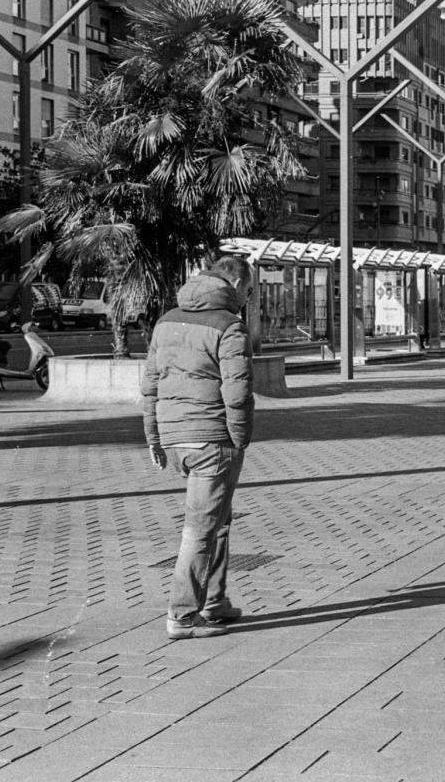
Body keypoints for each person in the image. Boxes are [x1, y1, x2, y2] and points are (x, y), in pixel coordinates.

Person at [142, 256, 255, 639]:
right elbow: (237, 391)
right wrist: (239, 439)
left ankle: (214, 603)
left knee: (217, 520)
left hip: (175, 437)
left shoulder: (167, 319)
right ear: (236, 284)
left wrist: (153, 436)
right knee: (200, 530)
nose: (247, 298)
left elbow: (151, 383)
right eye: (249, 291)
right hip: (212, 438)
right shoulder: (230, 325)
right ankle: (182, 616)